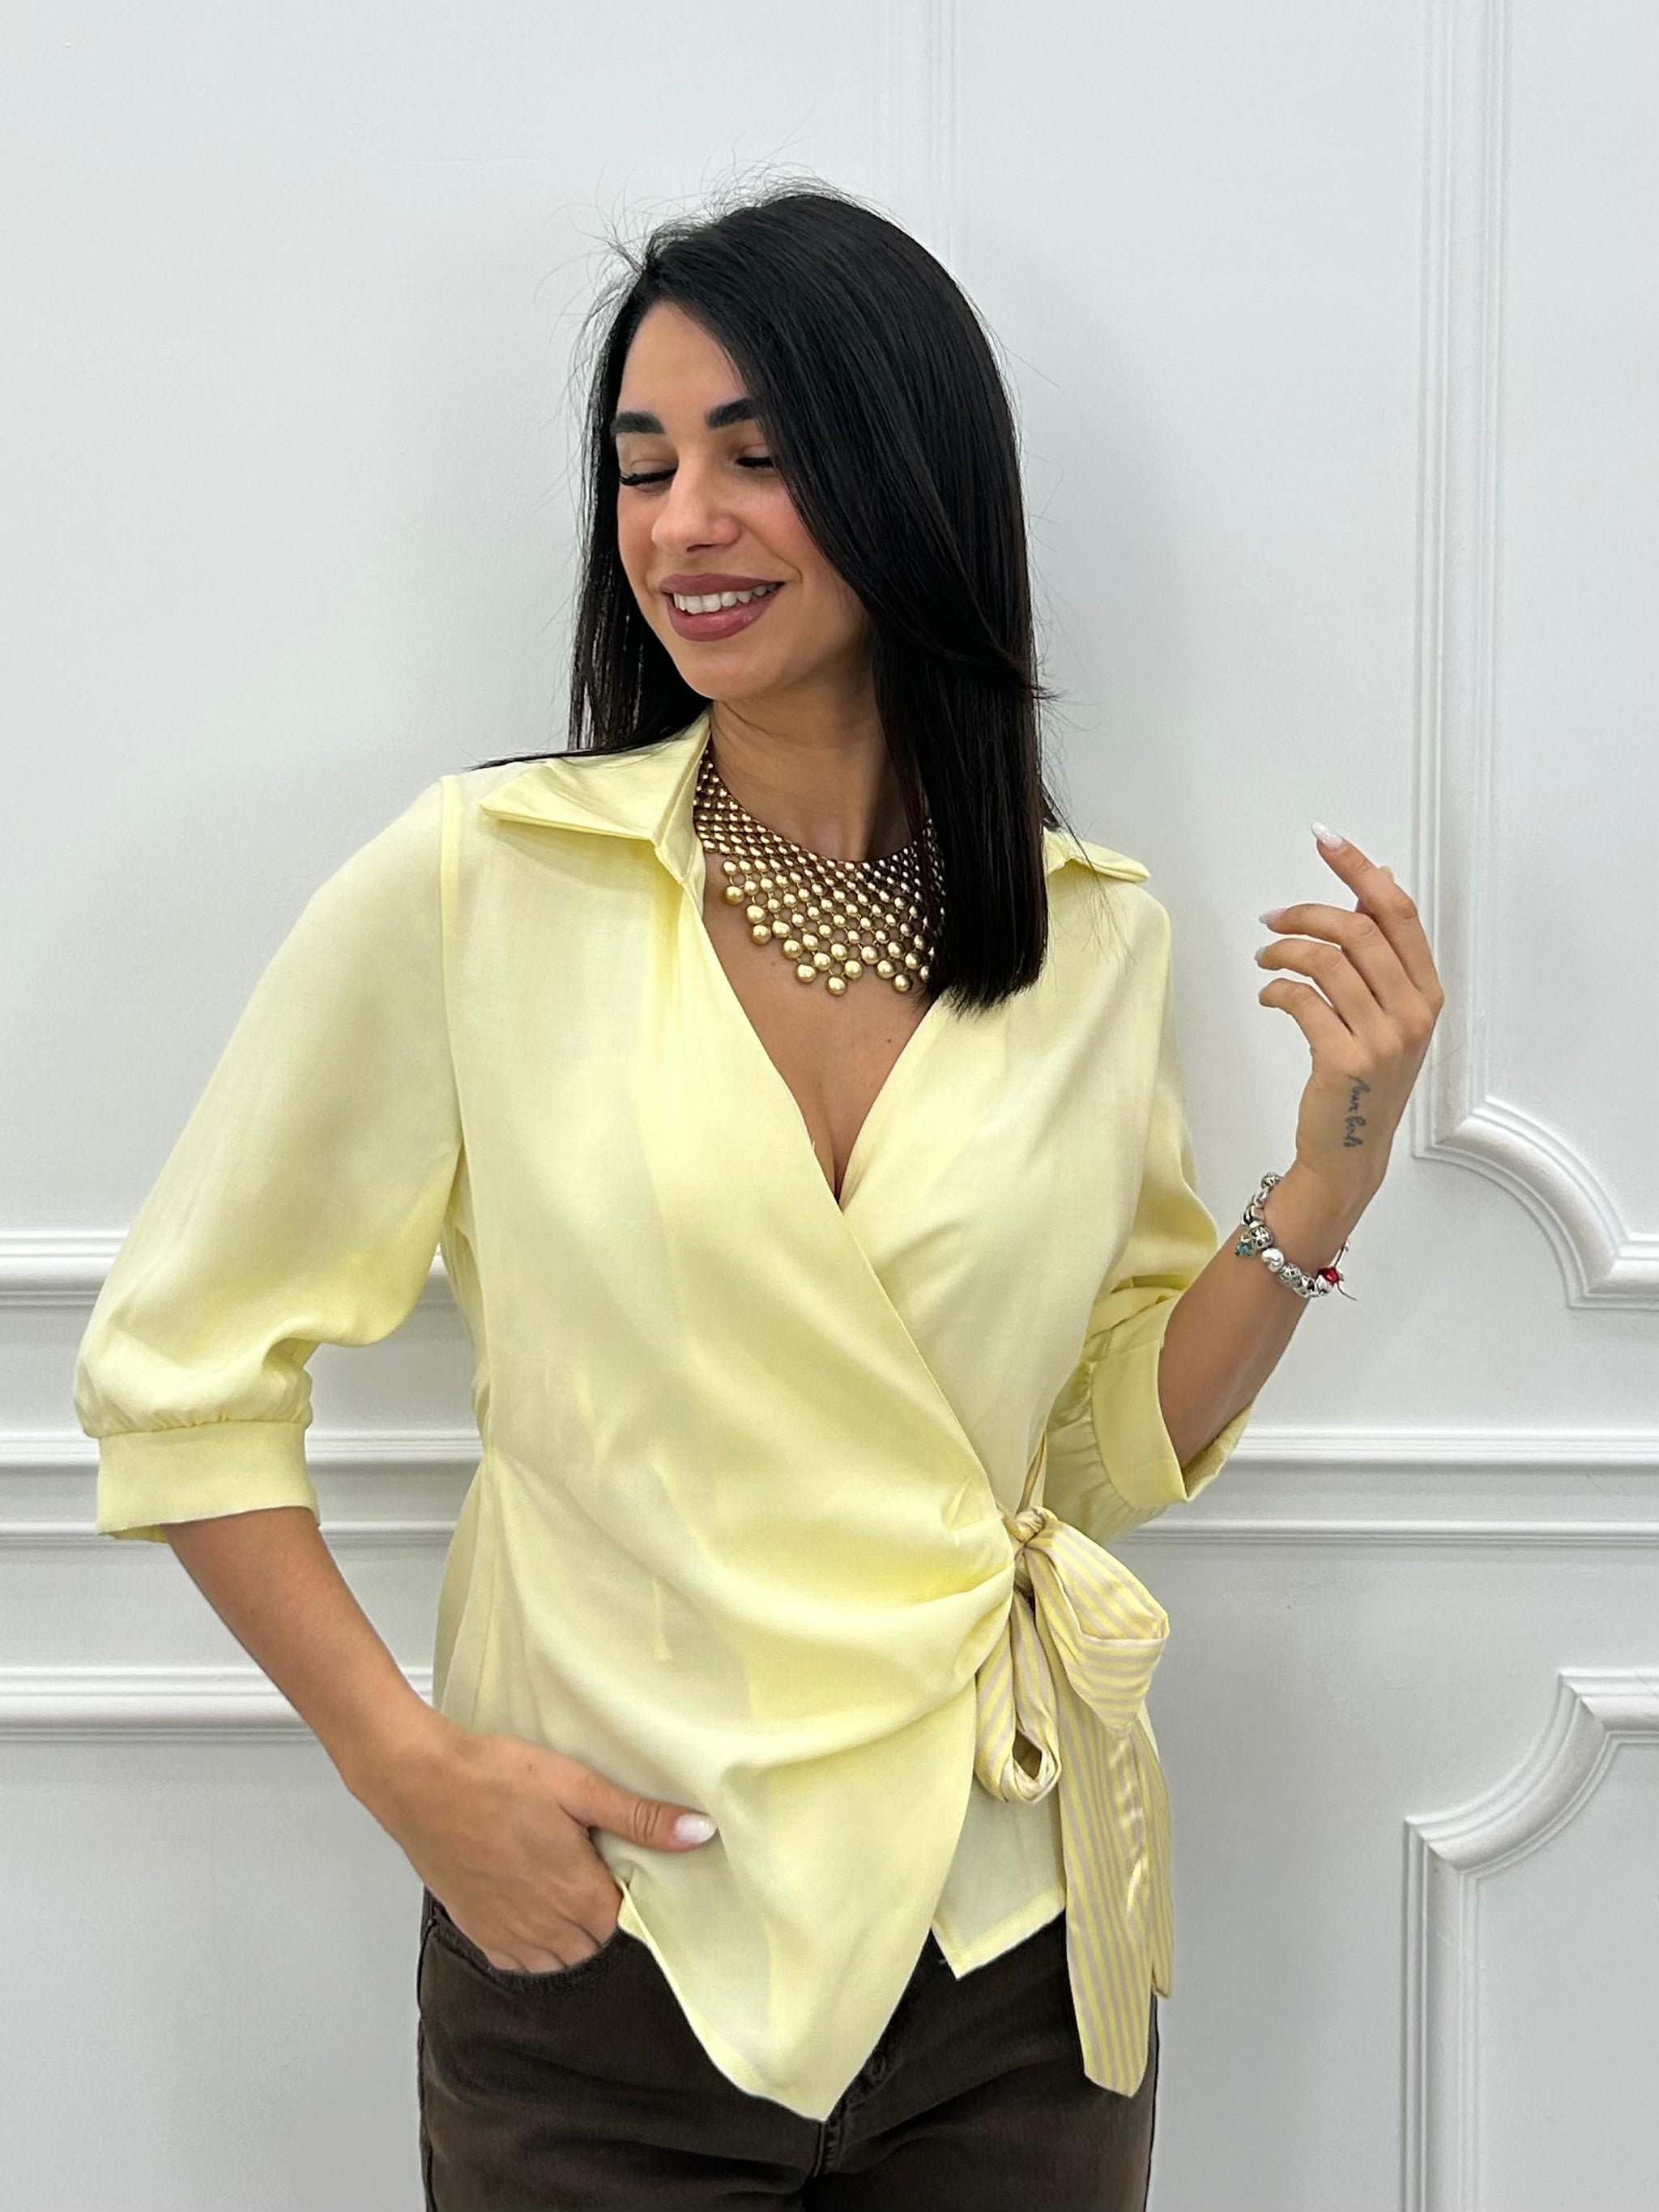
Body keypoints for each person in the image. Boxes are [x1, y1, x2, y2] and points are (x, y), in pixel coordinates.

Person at [73, 182, 1444, 2210]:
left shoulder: (1092, 941)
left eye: (755, 455)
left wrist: (1332, 1170)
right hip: (608, 1954)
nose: (682, 525)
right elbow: (177, 1374)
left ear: (910, 480)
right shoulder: (485, 885)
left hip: (1010, 1959)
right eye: (643, 470)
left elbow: (1089, 1451)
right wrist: (405, 1770)